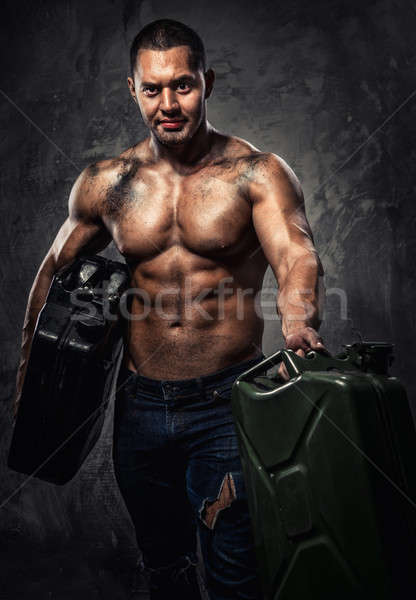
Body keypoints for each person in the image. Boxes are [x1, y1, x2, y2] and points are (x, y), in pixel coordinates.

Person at [13, 18, 327, 600]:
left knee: (236, 576)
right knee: (165, 571)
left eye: (182, 85)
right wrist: (31, 368)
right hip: (139, 410)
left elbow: (295, 253)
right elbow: (52, 273)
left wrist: (298, 319)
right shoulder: (109, 183)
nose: (168, 103)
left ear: (206, 82)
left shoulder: (255, 173)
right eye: (153, 89)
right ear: (132, 89)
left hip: (225, 404)